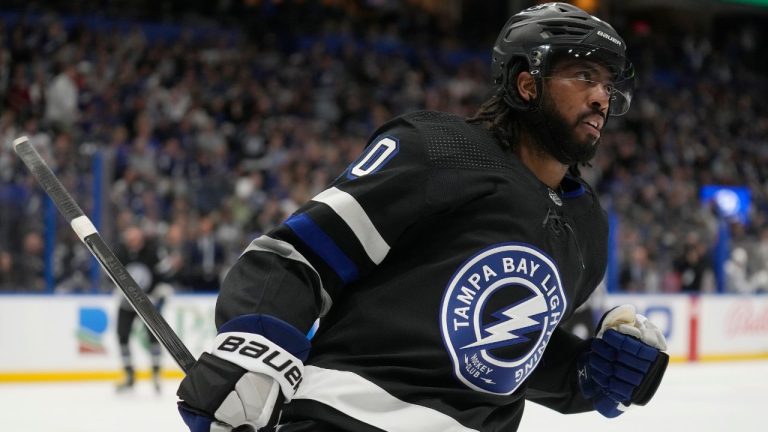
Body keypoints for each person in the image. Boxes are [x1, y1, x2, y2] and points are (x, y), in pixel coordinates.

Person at [176, 3, 669, 431]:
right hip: (346, 419)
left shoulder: (587, 227)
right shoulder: (441, 150)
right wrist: (254, 343)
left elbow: (500, 354)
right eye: (585, 76)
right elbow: (298, 256)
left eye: (608, 84)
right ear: (526, 83)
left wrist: (588, 375)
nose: (602, 97)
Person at [114, 224, 172, 393]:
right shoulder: (120, 251)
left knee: (154, 338)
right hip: (126, 302)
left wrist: (161, 289)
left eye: (134, 233)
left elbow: (165, 273)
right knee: (122, 336)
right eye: (128, 234)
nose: (131, 238)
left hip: (149, 302)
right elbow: (110, 274)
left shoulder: (153, 251)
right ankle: (129, 375)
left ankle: (155, 374)